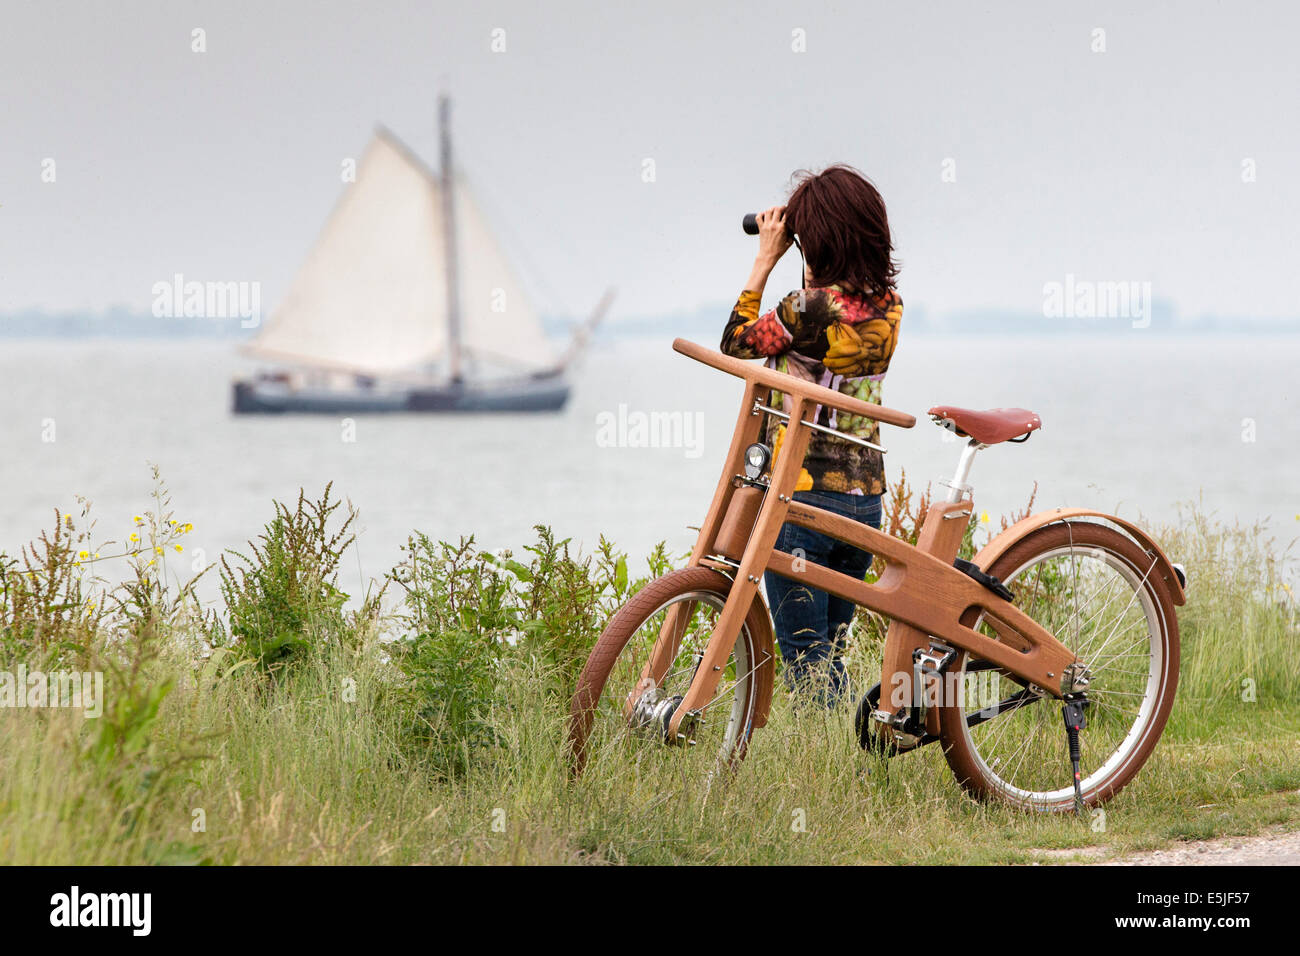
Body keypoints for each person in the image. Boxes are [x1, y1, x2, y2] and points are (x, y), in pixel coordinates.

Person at [720, 165, 902, 704]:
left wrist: (765, 258)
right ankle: (854, 755)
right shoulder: (889, 306)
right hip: (864, 502)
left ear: (818, 241)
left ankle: (832, 773)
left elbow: (736, 342)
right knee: (829, 656)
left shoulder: (808, 308)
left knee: (806, 665)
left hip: (803, 500)